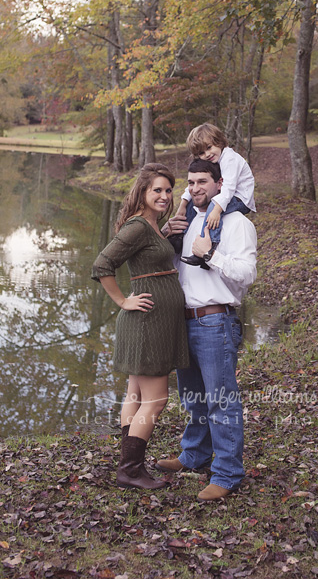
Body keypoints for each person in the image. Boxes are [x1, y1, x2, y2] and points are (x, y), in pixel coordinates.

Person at [157, 158, 257, 502]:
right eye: (191, 182)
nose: (196, 188)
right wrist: (167, 238)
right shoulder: (190, 221)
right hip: (185, 321)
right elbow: (180, 271)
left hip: (216, 321)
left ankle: (228, 474)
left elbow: (247, 274)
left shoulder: (235, 223)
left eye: (203, 181)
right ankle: (194, 455)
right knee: (193, 398)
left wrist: (211, 253)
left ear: (219, 184)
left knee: (221, 400)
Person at [91, 163, 189, 489]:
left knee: (135, 392)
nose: (163, 195)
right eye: (156, 190)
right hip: (148, 321)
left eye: (167, 189)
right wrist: (122, 301)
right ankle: (130, 470)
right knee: (156, 399)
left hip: (152, 321)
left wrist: (167, 231)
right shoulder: (138, 227)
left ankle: (129, 464)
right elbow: (103, 263)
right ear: (143, 193)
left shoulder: (152, 225)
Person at [175, 123, 256, 268]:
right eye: (201, 153)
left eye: (209, 147)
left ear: (219, 142)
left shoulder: (229, 159)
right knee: (192, 202)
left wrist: (216, 211)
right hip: (228, 194)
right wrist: (183, 205)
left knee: (213, 207)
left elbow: (229, 188)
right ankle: (179, 238)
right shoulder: (212, 160)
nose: (206, 155)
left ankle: (208, 246)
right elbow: (191, 187)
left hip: (240, 198)